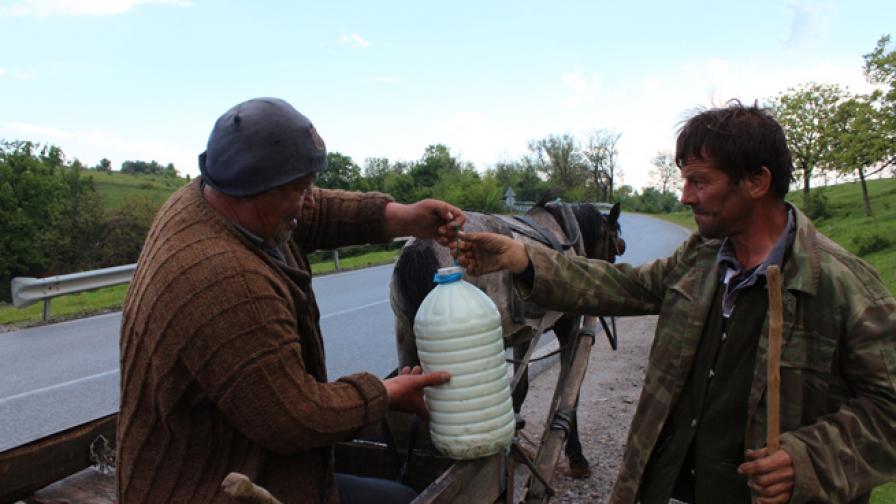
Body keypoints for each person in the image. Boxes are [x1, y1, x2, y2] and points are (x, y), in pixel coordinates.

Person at [454, 102, 896, 504]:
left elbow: (888, 410)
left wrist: (808, 460)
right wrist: (524, 259)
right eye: (685, 179)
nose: (685, 196)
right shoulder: (700, 258)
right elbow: (623, 286)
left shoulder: (845, 286)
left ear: (758, 181)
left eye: (699, 181)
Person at [117, 97, 463, 503]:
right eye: (300, 189)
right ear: (251, 191)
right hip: (209, 486)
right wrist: (387, 392)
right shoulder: (224, 279)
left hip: (234, 455)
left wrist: (402, 217)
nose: (309, 199)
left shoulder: (214, 199)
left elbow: (313, 212)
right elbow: (295, 418)